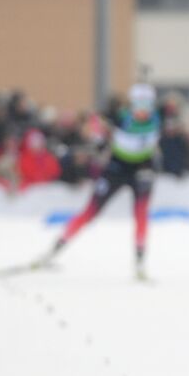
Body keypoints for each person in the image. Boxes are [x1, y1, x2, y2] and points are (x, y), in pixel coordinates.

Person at [42, 83, 160, 278]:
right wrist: (98, 135)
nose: (142, 111)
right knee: (90, 212)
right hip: (115, 170)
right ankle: (54, 250)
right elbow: (95, 120)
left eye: (146, 105)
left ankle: (140, 263)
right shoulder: (121, 117)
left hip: (142, 171)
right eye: (139, 105)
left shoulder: (156, 118)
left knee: (141, 215)